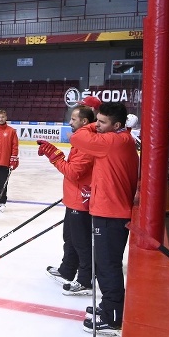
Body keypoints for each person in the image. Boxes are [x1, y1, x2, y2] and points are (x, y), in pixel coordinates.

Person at [69, 101, 139, 337]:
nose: (97, 126)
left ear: (117, 125)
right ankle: (109, 306)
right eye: (96, 120)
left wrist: (89, 125)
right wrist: (97, 124)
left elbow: (77, 138)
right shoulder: (120, 138)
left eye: (102, 122)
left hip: (111, 213)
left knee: (107, 266)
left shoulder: (113, 141)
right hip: (109, 211)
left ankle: (112, 317)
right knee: (105, 263)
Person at [39, 105, 96, 296]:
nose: (70, 122)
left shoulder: (86, 142)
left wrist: (54, 156)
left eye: (73, 119)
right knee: (70, 239)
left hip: (81, 199)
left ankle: (85, 280)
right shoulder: (82, 140)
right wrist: (54, 152)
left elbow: (74, 172)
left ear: (84, 121)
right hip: (73, 198)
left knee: (82, 243)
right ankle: (67, 270)